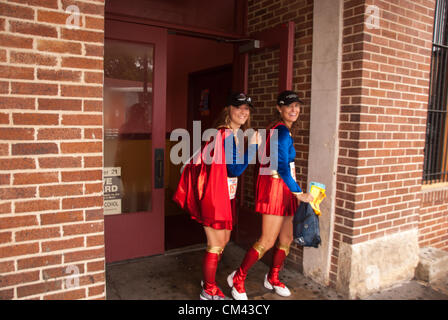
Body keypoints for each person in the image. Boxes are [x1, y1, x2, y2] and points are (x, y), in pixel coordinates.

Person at [227, 90, 314, 300]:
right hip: (276, 188)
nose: (294, 110)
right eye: (289, 106)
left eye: (297, 106)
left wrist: (294, 190)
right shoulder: (281, 132)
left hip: (285, 187)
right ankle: (237, 278)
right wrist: (299, 193)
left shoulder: (282, 130)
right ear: (279, 108)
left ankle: (273, 277)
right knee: (267, 240)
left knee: (287, 237)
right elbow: (281, 167)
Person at [173, 92, 261, 300]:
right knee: (216, 243)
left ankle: (208, 280)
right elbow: (235, 169)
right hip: (214, 197)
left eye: (246, 108)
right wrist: (254, 147)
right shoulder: (226, 135)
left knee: (224, 239)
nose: (243, 112)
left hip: (223, 195)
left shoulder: (230, 134)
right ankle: (208, 290)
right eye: (238, 107)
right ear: (228, 110)